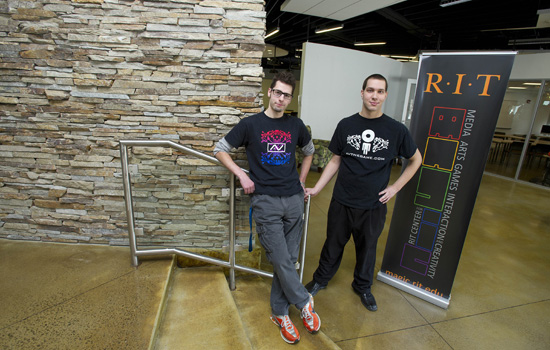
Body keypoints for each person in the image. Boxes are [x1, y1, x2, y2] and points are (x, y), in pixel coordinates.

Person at [214, 70, 320, 344]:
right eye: (278, 92)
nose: (281, 98)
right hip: (266, 202)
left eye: (287, 95)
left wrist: (301, 181)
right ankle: (304, 300)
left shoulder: (296, 125)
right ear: (269, 92)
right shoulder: (250, 124)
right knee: (282, 259)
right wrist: (241, 173)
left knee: (287, 260)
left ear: (289, 98)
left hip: (295, 201)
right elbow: (220, 148)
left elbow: (309, 153)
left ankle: (279, 313)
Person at [304, 73, 422, 312]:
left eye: (380, 91)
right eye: (370, 90)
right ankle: (320, 279)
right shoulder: (346, 125)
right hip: (342, 200)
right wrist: (317, 187)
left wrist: (395, 188)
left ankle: (363, 287)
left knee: (367, 248)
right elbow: (336, 161)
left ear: (385, 95)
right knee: (333, 244)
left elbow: (416, 159)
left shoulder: (396, 130)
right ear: (362, 93)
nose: (374, 96)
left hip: (373, 205)